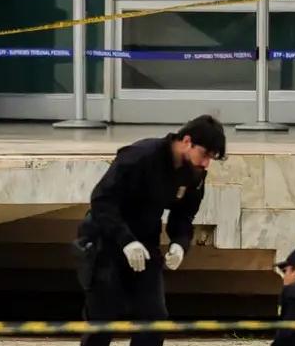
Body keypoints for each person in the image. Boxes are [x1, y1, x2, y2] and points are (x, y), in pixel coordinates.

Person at [73, 115, 227, 346]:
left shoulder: (193, 173)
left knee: (154, 318)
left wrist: (180, 243)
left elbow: (184, 214)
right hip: (105, 239)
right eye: (205, 155)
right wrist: (126, 241)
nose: (206, 164)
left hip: (146, 243)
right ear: (187, 141)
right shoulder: (140, 156)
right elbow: (102, 200)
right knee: (103, 320)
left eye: (212, 159)